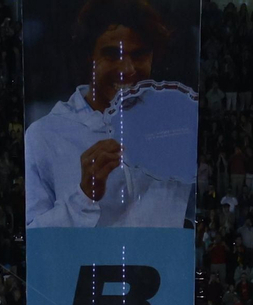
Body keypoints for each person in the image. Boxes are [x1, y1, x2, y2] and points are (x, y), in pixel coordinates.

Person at [24, 0, 196, 229]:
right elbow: (34, 242)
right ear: (89, 56)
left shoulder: (177, 128)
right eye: (112, 55)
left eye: (139, 54)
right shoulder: (44, 135)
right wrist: (84, 197)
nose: (127, 69)